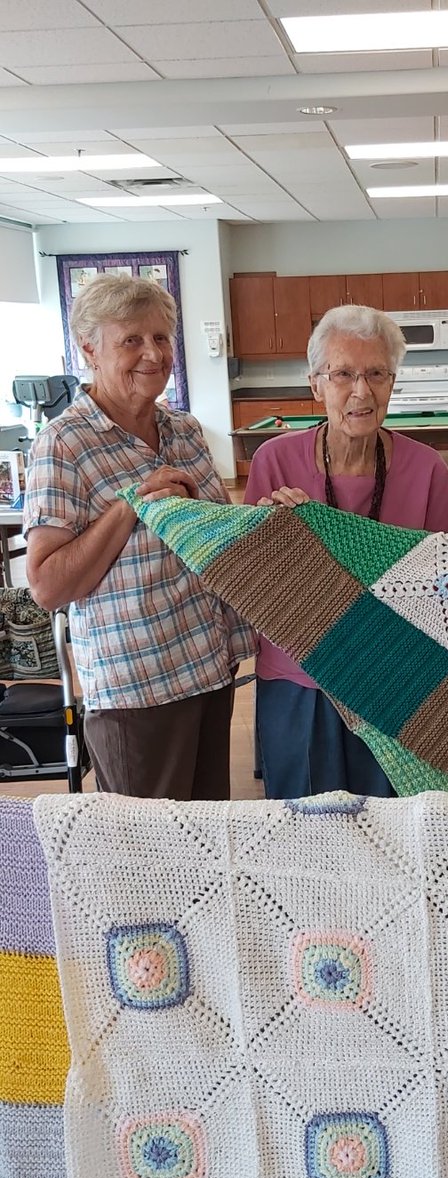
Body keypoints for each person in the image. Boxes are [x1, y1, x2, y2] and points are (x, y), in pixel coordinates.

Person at [25, 273, 255, 801]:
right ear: (89, 348)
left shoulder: (185, 431)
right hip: (138, 689)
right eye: (131, 339)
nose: (152, 354)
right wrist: (132, 502)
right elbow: (48, 586)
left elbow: (215, 539)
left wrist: (263, 520)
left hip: (209, 669)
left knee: (202, 842)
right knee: (148, 863)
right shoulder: (62, 444)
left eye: (161, 338)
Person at [245, 305, 448, 799]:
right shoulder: (273, 461)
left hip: (398, 686)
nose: (361, 391)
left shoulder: (426, 469)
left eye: (377, 374)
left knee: (396, 832)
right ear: (316, 384)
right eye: (343, 373)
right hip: (300, 680)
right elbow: (254, 585)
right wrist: (286, 541)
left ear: (392, 382)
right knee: (306, 835)